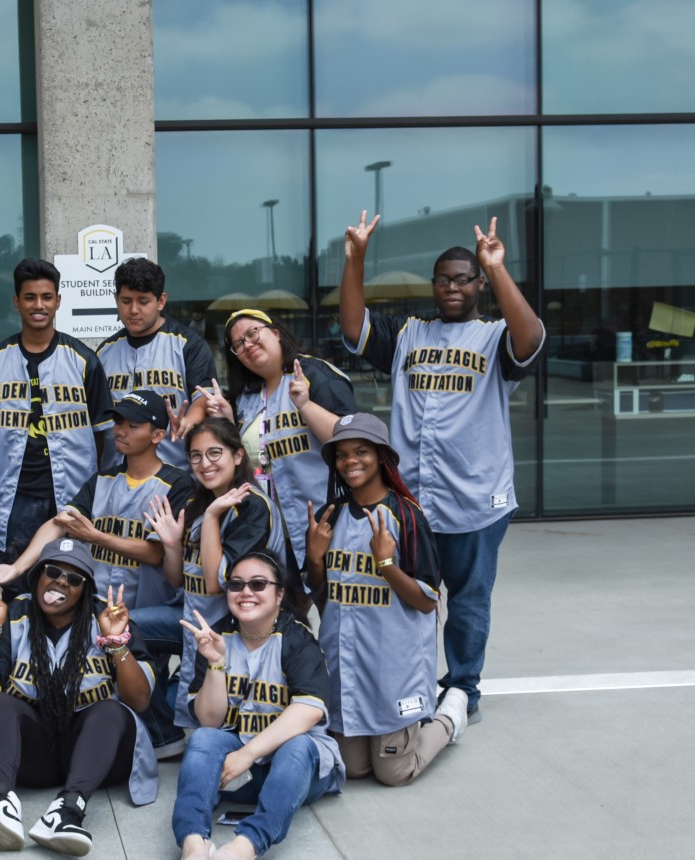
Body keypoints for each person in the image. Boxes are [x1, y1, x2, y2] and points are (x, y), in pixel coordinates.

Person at [338, 214, 545, 720]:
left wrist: (496, 267)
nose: (452, 287)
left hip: (476, 497)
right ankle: (410, 680)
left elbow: (533, 338)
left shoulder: (496, 336)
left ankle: (463, 688)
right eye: (443, 279)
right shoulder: (409, 332)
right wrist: (356, 258)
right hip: (413, 498)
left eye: (462, 278)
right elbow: (353, 327)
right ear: (433, 285)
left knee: (468, 602)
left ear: (477, 284)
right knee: (409, 597)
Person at [0, 389, 193, 756]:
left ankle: (159, 734)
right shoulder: (103, 479)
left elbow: (156, 553)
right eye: (119, 423)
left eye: (133, 425)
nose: (120, 431)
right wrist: (16, 568)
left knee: (124, 655)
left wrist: (94, 536)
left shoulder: (177, 482)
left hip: (151, 609)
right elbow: (60, 523)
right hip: (101, 605)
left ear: (158, 435)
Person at [0, 541, 159, 857]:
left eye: (74, 579)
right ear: (38, 577)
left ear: (85, 590)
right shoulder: (14, 615)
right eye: (53, 571)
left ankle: (66, 812)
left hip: (98, 757)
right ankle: (2, 802)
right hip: (34, 757)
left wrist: (116, 643)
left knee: (110, 710)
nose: (61, 581)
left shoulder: (107, 617)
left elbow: (140, 701)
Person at [305, 412, 468, 785]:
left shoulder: (407, 516)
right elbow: (319, 592)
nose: (350, 462)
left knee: (395, 773)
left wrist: (387, 564)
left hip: (394, 666)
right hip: (347, 662)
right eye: (342, 454)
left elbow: (427, 601)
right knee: (355, 769)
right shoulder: (334, 514)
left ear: (381, 456)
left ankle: (449, 716)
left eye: (361, 451)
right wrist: (315, 556)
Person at [174, 552, 343, 860]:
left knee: (296, 746)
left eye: (258, 584)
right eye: (236, 584)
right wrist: (216, 665)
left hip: (295, 772)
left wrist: (247, 754)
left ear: (280, 594)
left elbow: (308, 712)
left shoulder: (298, 640)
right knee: (204, 739)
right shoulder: (216, 636)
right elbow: (209, 720)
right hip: (238, 774)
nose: (245, 591)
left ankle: (249, 843)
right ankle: (192, 840)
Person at [0, 258, 113, 579]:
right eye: (30, 297)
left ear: (58, 301)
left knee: (74, 584)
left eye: (47, 297)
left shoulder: (82, 359)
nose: (39, 305)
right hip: (16, 500)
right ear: (16, 301)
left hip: (74, 495)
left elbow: (104, 436)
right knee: (15, 586)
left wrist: (94, 492)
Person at [145, 417, 285, 730]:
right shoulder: (199, 500)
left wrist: (211, 518)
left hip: (230, 633)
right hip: (192, 622)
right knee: (127, 631)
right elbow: (177, 580)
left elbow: (215, 583)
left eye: (214, 453)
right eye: (196, 455)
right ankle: (162, 731)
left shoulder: (252, 507)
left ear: (237, 456)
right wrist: (171, 546)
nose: (204, 463)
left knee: (207, 735)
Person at [212, 307, 358, 590]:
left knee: (332, 612)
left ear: (276, 333)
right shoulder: (247, 396)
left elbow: (351, 440)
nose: (248, 345)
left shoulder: (313, 373)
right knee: (287, 613)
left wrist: (305, 405)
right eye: (238, 344)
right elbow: (248, 458)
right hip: (272, 529)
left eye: (253, 333)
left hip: (323, 521)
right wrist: (229, 422)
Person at [96, 258, 220, 468]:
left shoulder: (189, 345)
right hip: (116, 478)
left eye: (143, 301)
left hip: (174, 474)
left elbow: (203, 399)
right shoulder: (104, 352)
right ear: (116, 299)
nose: (133, 310)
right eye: (126, 301)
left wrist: (190, 421)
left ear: (161, 301)